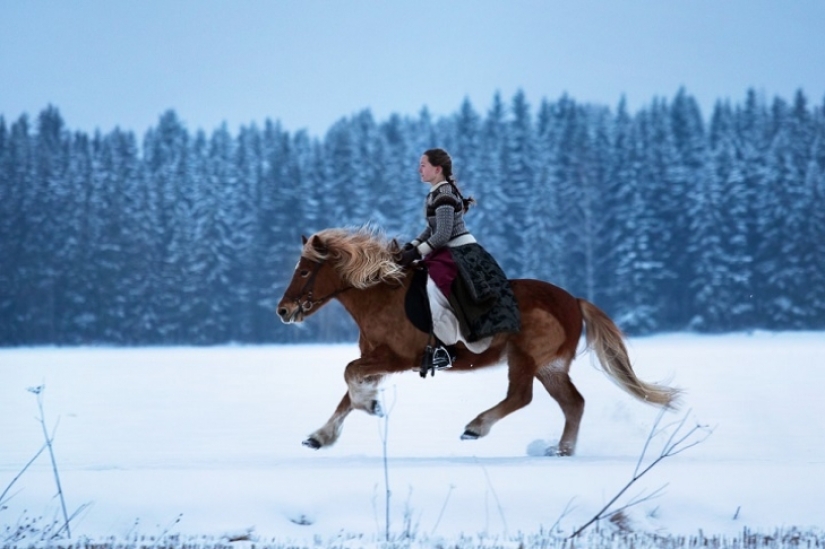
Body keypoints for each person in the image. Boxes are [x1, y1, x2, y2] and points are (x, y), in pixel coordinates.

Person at [398, 148, 521, 373]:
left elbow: (443, 233)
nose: (419, 169)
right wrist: (412, 246)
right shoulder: (437, 192)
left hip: (457, 252)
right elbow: (432, 228)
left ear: (438, 169)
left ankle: (445, 349)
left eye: (423, 164)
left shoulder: (444, 194)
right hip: (447, 250)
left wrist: (417, 252)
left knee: (432, 290)